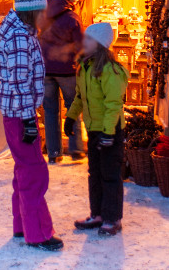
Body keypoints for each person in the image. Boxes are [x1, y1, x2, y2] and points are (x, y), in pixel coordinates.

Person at [0, 0, 63, 252]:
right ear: (32, 12)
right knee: (34, 172)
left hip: (16, 113)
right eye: (42, 11)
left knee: (24, 170)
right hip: (20, 115)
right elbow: (21, 81)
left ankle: (23, 225)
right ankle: (38, 233)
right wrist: (30, 121)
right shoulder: (21, 39)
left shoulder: (20, 34)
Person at [66, 22, 129, 237]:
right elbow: (79, 97)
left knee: (110, 175)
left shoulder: (110, 71)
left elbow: (114, 104)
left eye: (89, 39)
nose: (85, 41)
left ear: (100, 44)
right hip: (93, 130)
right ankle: (98, 214)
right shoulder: (84, 67)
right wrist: (70, 117)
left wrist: (108, 132)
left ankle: (113, 218)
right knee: (95, 174)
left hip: (110, 131)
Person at [38, 0, 85, 163]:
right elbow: (81, 45)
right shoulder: (73, 18)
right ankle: (76, 149)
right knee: (73, 107)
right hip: (67, 71)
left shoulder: (43, 13)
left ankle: (54, 153)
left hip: (45, 70)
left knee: (50, 111)